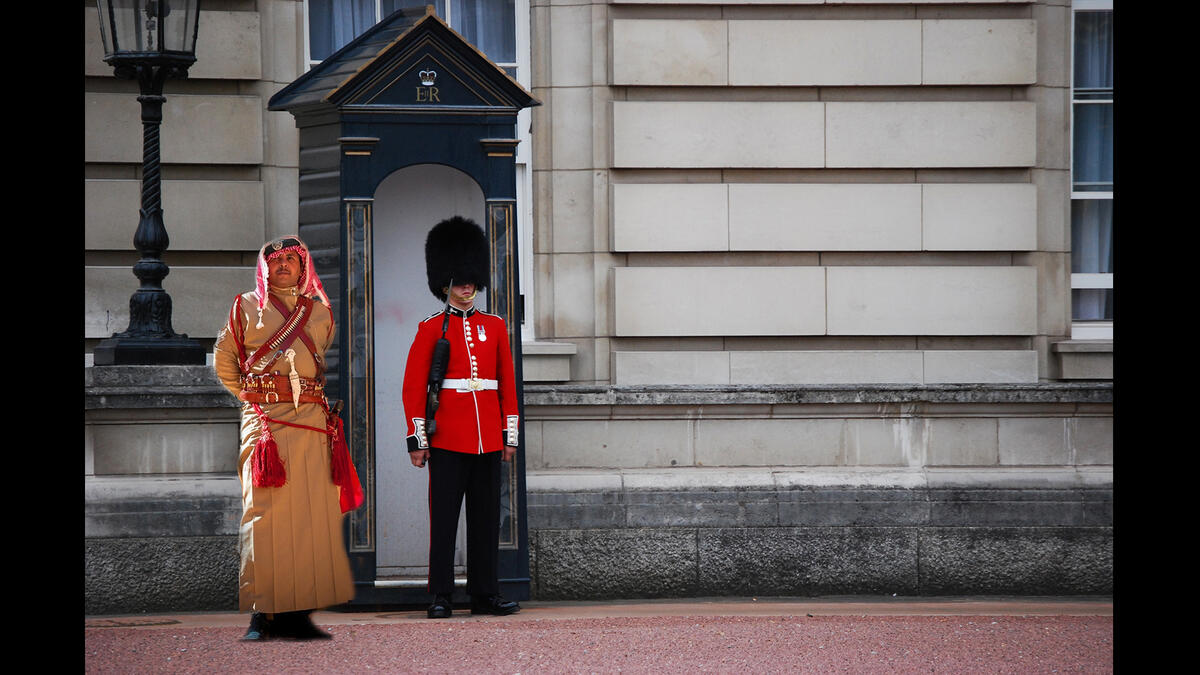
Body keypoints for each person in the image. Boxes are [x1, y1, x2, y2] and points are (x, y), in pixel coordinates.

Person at [213, 234, 363, 641]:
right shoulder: (244, 306)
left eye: (290, 260)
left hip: (311, 421)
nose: (282, 266)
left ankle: (298, 615)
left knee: (310, 520)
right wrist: (250, 398)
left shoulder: (319, 313)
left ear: (302, 266)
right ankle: (262, 615)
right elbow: (225, 359)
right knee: (264, 516)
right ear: (266, 267)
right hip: (265, 426)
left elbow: (319, 358)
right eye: (275, 260)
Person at [402, 216, 521, 619]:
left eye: (471, 281)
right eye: (459, 281)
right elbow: (413, 390)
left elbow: (507, 384)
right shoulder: (431, 329)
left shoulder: (496, 327)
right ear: (445, 284)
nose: (466, 288)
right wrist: (418, 441)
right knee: (444, 522)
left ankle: (485, 595)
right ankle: (440, 596)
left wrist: (510, 437)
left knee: (487, 521)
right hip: (448, 438)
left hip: (488, 438)